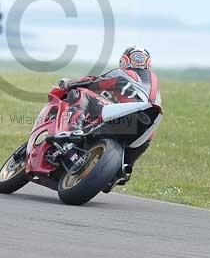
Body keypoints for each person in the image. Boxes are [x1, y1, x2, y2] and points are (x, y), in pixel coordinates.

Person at [58, 46, 159, 176]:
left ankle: (73, 130)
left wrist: (70, 84)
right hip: (145, 130)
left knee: (82, 93)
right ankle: (123, 170)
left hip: (127, 114)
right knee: (146, 139)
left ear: (124, 61)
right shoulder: (155, 82)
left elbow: (95, 82)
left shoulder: (123, 73)